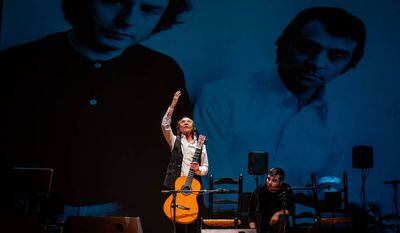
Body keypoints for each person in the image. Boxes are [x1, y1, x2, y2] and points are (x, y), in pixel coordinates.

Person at [0, 0, 192, 232]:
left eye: (149, 9)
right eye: (114, 2)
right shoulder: (15, 64)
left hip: (129, 219)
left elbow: (178, 158)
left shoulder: (163, 71)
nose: (128, 20)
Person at [193, 7, 366, 190]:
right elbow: (218, 192)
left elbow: (329, 181)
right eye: (308, 48)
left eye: (337, 56)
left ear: (349, 64)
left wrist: (343, 201)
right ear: (285, 45)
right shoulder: (220, 98)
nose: (317, 64)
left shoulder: (339, 117)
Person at [161, 91, 209, 233]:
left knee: (194, 225)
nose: (186, 122)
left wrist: (198, 169)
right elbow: (165, 125)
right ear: (179, 127)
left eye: (189, 121)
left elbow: (206, 167)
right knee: (179, 226)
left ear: (193, 127)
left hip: (193, 187)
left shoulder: (201, 145)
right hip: (178, 186)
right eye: (183, 121)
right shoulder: (175, 140)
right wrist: (173, 105)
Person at [248, 168, 294, 233]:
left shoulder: (286, 189)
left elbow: (291, 209)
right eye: (268, 179)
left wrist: (277, 214)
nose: (269, 182)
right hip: (261, 225)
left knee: (283, 219)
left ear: (280, 183)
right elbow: (251, 214)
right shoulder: (259, 191)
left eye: (274, 180)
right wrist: (253, 230)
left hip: (279, 225)